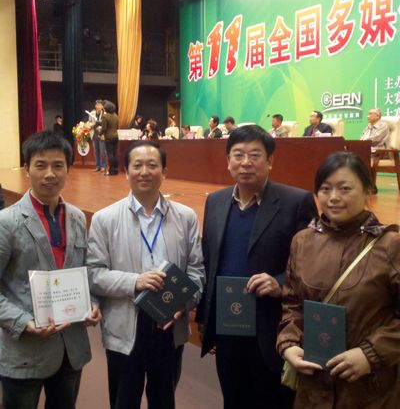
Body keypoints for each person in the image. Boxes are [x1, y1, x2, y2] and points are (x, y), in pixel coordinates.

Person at [196, 125, 317, 409]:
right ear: (228, 161)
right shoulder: (216, 201)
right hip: (228, 328)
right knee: (233, 399)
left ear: (270, 160)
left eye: (255, 155)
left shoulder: (296, 201)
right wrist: (205, 319)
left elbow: (313, 263)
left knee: (274, 401)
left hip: (272, 327)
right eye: (238, 155)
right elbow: (210, 261)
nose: (246, 162)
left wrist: (279, 282)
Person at [86, 141, 204, 409]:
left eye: (152, 165)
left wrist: (184, 304)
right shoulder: (105, 219)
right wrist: (135, 281)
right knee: (124, 400)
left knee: (164, 400)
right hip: (126, 324)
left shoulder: (186, 217)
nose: (145, 171)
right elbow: (94, 274)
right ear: (126, 172)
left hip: (170, 323)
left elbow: (197, 271)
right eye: (137, 165)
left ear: (164, 172)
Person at [277, 151, 400, 408]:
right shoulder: (303, 241)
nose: (333, 197)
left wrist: (370, 354)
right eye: (325, 189)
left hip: (370, 389)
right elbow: (292, 303)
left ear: (368, 191)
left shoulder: (391, 245)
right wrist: (288, 344)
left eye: (345, 188)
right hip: (313, 388)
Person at [0, 131, 101, 409]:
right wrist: (23, 322)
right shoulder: (7, 222)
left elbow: (85, 271)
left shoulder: (77, 217)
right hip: (24, 351)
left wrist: (92, 303)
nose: (49, 174)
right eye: (40, 165)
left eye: (58, 165)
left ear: (68, 169)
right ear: (27, 168)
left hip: (71, 350)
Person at [101, 101, 119, 175]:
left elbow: (104, 128)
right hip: (116, 136)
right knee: (115, 154)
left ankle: (111, 171)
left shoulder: (105, 116)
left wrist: (100, 133)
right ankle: (116, 170)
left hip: (108, 137)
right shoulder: (116, 116)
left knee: (110, 154)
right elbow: (117, 126)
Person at [89, 100, 107, 172]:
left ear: (102, 106)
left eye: (100, 105)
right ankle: (97, 166)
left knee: (102, 151)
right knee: (96, 151)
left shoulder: (105, 114)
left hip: (102, 134)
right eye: (97, 105)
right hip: (94, 134)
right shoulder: (92, 113)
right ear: (95, 106)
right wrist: (91, 125)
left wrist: (100, 126)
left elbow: (106, 124)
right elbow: (89, 122)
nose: (99, 106)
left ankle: (103, 166)